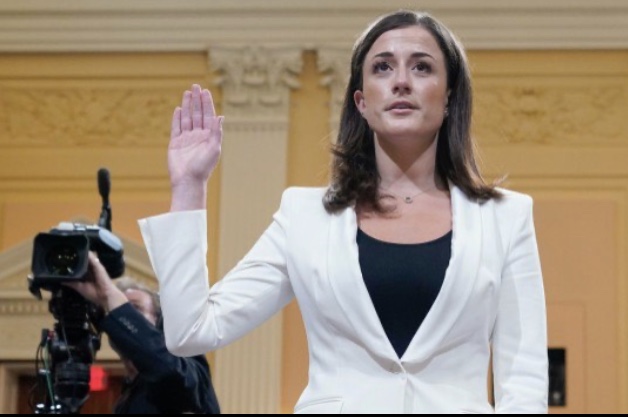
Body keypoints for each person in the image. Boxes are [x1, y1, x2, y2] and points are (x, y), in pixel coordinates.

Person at [139, 9, 548, 414]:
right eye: (382, 67)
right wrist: (188, 186)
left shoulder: (506, 218)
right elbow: (192, 331)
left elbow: (523, 379)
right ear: (361, 102)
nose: (401, 81)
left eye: (421, 67)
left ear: (449, 98)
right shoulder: (304, 217)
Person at [66, 260, 221, 414]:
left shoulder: (189, 367)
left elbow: (169, 373)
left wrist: (109, 293)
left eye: (135, 308)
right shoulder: (126, 398)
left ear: (159, 322)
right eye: (120, 309)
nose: (119, 315)